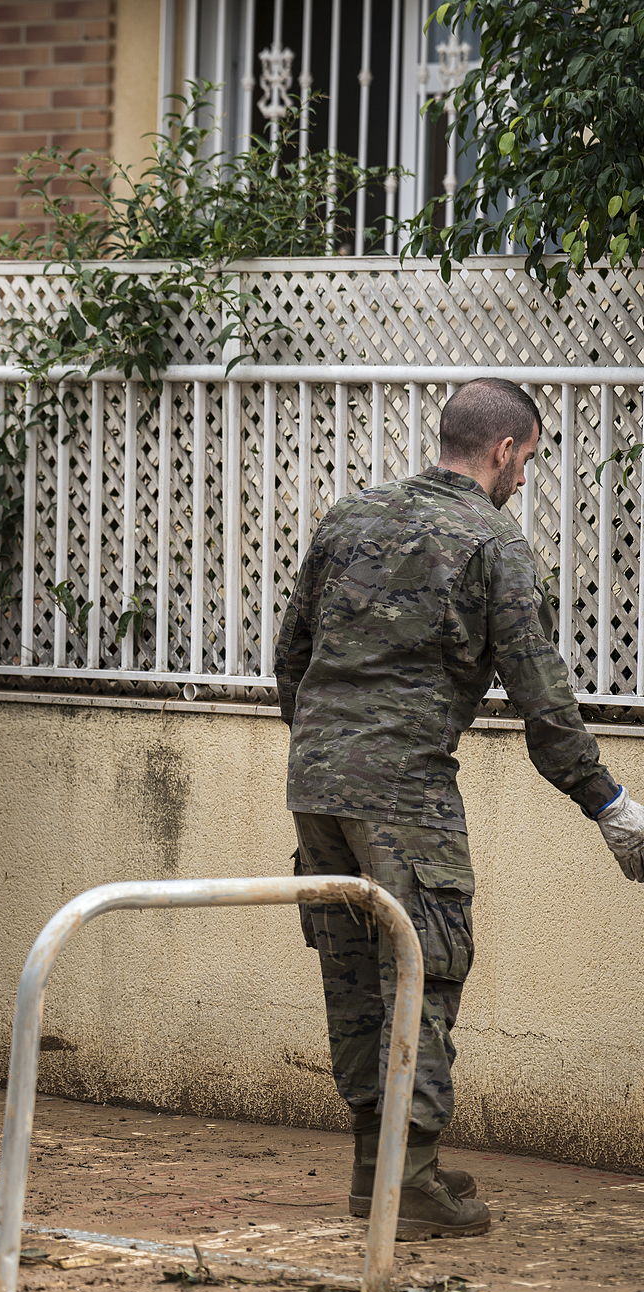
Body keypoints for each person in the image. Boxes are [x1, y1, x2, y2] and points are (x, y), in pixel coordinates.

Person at [276, 377, 644, 1241]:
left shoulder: (349, 517)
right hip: (405, 791)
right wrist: (610, 804)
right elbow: (545, 705)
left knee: (353, 971)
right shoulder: (493, 545)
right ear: (505, 450)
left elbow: (291, 656)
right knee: (425, 969)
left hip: (315, 782)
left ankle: (377, 1168)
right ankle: (415, 1181)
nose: (524, 480)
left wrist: (327, 748)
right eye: (529, 462)